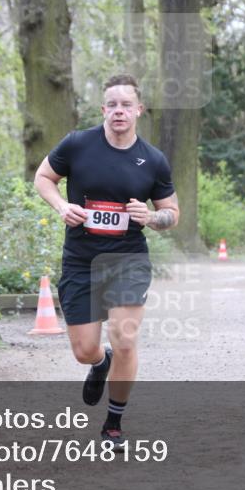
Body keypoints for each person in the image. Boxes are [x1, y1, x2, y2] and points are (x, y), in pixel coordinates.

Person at [33, 73, 179, 447]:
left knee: (125, 339)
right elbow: (43, 177)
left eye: (126, 105)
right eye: (112, 105)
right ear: (103, 109)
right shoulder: (78, 144)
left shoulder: (154, 160)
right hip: (81, 258)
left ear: (138, 110)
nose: (119, 111)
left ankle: (114, 423)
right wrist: (62, 205)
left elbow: (171, 213)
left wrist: (152, 218)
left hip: (127, 259)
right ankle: (101, 363)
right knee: (84, 350)